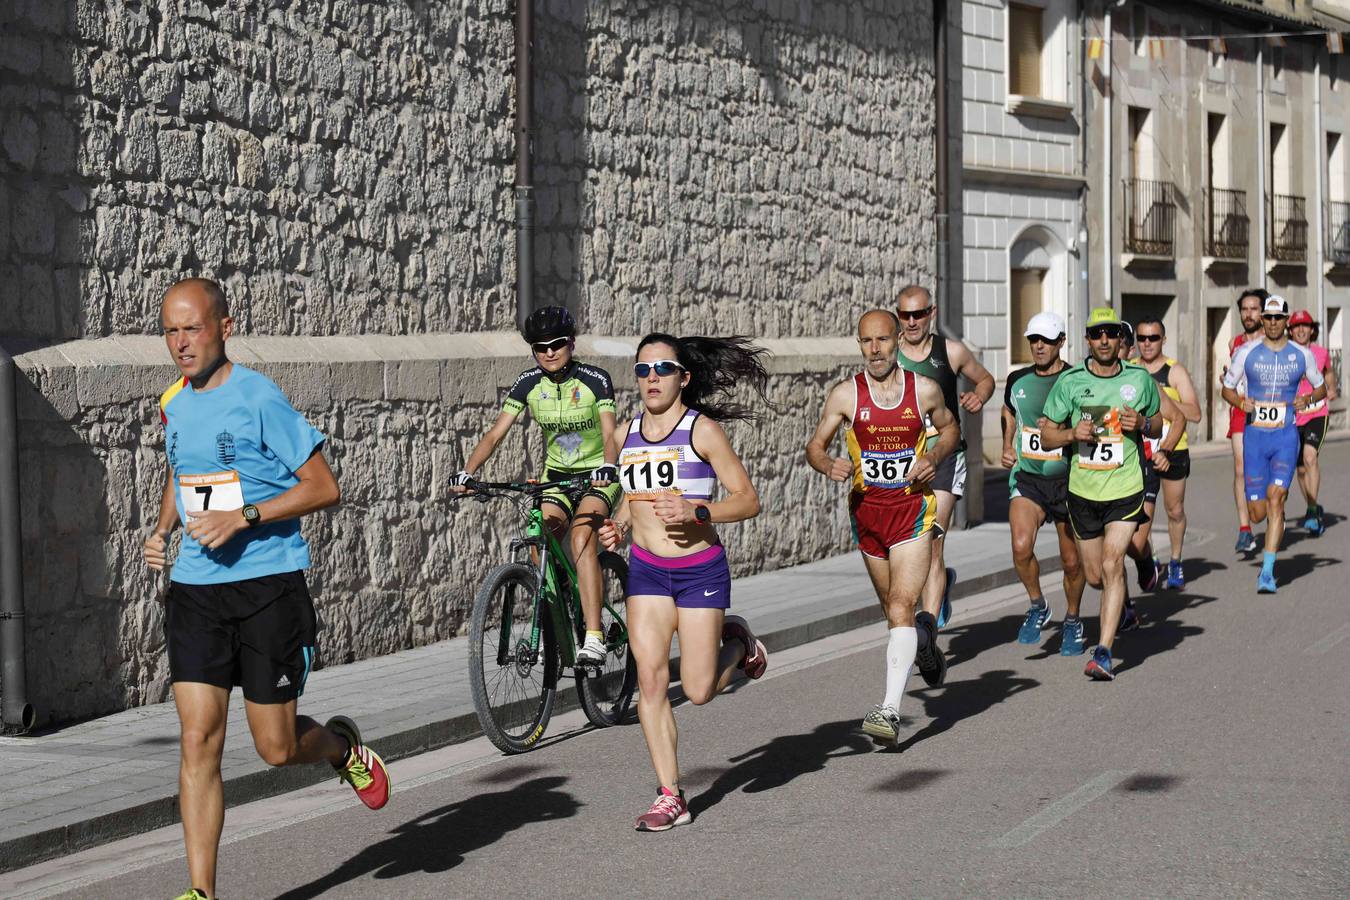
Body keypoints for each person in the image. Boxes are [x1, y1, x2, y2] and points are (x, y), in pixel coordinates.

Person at [143, 278, 389, 900]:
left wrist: (244, 517)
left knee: (275, 748)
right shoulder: (174, 399)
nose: (180, 343)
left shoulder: (260, 398)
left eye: (192, 328)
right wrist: (163, 528)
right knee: (198, 738)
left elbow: (323, 488)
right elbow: (183, 471)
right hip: (197, 589)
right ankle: (202, 892)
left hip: (267, 588)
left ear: (225, 326)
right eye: (170, 330)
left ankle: (339, 746)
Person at [599, 333, 771, 832]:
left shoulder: (703, 431)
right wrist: (620, 523)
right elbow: (633, 497)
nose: (652, 378)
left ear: (684, 378)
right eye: (643, 370)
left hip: (699, 572)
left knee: (696, 690)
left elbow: (747, 499)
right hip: (648, 571)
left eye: (663, 369)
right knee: (651, 680)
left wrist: (699, 510)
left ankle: (738, 645)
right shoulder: (625, 433)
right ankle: (670, 795)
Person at [805, 310, 959, 745]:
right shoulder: (845, 396)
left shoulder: (923, 390)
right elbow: (814, 446)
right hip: (868, 515)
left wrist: (933, 458)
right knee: (897, 612)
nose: (875, 349)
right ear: (859, 344)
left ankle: (889, 711)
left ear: (897, 342)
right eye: (866, 341)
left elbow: (950, 429)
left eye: (883, 340)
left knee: (898, 605)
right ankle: (926, 639)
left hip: (911, 511)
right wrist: (826, 463)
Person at [453, 306, 621, 665]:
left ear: (571, 343)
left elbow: (609, 433)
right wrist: (467, 472)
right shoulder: (528, 383)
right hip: (557, 479)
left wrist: (608, 465)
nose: (548, 352)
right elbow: (496, 434)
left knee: (581, 538)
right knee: (540, 537)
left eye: (557, 344)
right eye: (539, 346)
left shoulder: (595, 379)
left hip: (596, 477)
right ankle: (556, 623)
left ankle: (593, 635)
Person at [1038, 307, 1162, 681]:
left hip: (1125, 487)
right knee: (1095, 575)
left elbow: (1157, 421)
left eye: (1110, 333)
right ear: (1088, 340)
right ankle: (1130, 582)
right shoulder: (1071, 382)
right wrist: (1071, 435)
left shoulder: (1139, 379)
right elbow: (1047, 434)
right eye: (1096, 334)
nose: (1104, 340)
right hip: (1083, 490)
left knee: (1111, 564)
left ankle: (1104, 652)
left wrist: (1142, 423)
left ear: (1119, 339)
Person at [893, 285, 994, 629]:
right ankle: (941, 587)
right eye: (904, 315)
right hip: (905, 460)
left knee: (933, 540)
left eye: (918, 314)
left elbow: (984, 379)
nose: (911, 322)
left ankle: (929, 633)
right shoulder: (890, 357)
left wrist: (979, 397)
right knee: (910, 548)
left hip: (946, 455)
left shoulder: (950, 352)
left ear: (931, 314)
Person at [1221, 296, 1327, 592]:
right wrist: (1242, 402)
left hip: (1285, 436)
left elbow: (1321, 388)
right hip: (1255, 438)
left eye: (1277, 318)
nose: (1271, 323)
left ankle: (1267, 572)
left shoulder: (1301, 355)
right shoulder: (1246, 352)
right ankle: (1271, 515)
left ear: (1286, 320)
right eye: (1267, 318)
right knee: (1257, 513)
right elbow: (1226, 390)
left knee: (1276, 497)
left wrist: (1308, 399)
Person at [1001, 312, 1088, 654]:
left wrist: (1061, 434)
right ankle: (1038, 605)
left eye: (1047, 341)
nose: (1039, 346)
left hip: (1069, 480)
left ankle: (1073, 619)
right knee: (1021, 547)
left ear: (1061, 342)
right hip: (1029, 478)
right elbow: (1009, 411)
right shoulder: (1017, 380)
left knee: (1071, 562)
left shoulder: (1076, 379)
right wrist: (1008, 445)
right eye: (1033, 340)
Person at [1131, 316, 1202, 590]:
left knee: (1174, 510)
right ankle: (1148, 560)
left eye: (1153, 338)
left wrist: (1162, 399)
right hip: (1140, 452)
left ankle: (1175, 561)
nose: (1147, 344)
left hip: (1173, 449)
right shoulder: (1130, 370)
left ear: (1163, 340)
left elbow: (1195, 413)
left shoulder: (1175, 371)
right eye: (1142, 338)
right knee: (1138, 515)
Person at [1289, 310, 1338, 535]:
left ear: (1312, 329)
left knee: (1310, 457)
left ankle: (1310, 510)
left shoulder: (1320, 353)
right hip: (1294, 415)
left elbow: (1328, 373)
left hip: (1318, 412)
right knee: (1300, 470)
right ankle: (1314, 506)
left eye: (1305, 326)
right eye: (1297, 327)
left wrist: (1332, 388)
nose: (1301, 330)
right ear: (1290, 331)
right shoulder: (1286, 354)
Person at [1227, 289, 1267, 553]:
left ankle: (1275, 508)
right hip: (1242, 410)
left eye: (1254, 309)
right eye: (1244, 309)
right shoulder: (1235, 343)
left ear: (1263, 313)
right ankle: (1244, 530)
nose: (1248, 314)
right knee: (1240, 468)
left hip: (1270, 412)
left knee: (1267, 467)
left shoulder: (1274, 340)